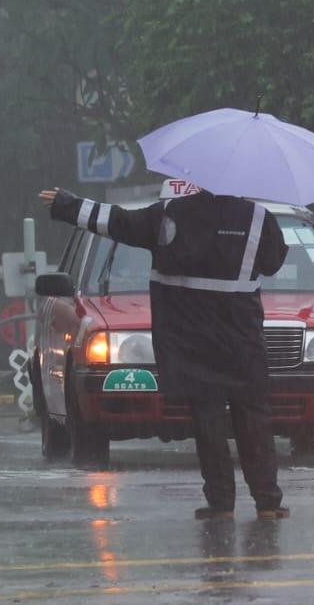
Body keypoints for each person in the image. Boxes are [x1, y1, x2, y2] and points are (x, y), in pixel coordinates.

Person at [39, 183, 290, 519]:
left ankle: (220, 503)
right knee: (255, 420)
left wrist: (67, 205)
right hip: (242, 341)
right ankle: (268, 502)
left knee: (208, 422)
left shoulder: (171, 215)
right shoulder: (259, 218)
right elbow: (274, 262)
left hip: (194, 341)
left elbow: (117, 222)